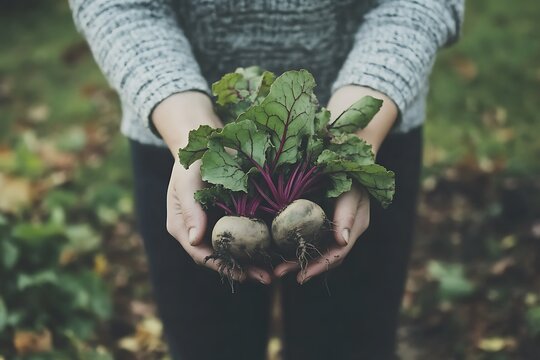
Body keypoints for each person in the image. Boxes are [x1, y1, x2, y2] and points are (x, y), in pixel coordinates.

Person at [69, 0, 464, 359]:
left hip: (359, 151)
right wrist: (184, 124)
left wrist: (359, 135)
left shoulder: (347, 153)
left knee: (352, 345)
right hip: (187, 163)